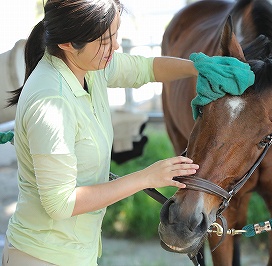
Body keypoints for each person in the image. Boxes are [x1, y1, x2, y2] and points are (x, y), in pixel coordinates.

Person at [1, 0, 254, 265]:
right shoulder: (52, 103)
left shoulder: (86, 66)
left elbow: (144, 68)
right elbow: (61, 204)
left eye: (116, 34)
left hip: (76, 253)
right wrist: (146, 177)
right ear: (67, 43)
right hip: (42, 256)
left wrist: (199, 67)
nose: (116, 46)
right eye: (105, 40)